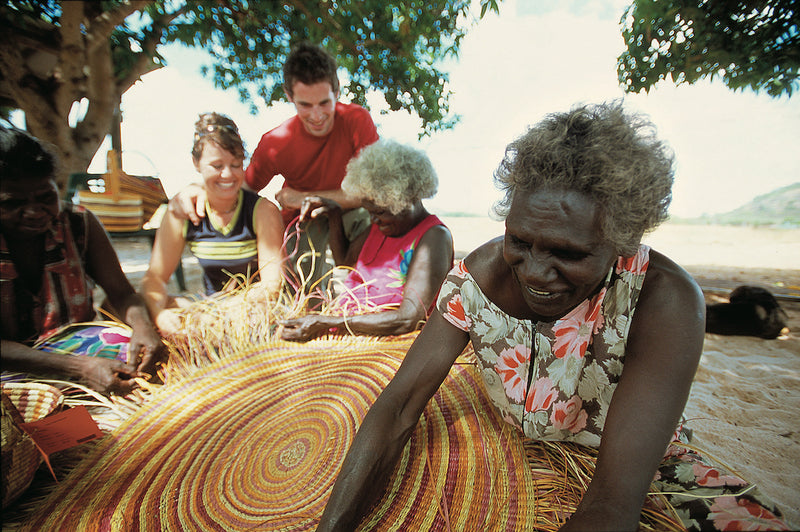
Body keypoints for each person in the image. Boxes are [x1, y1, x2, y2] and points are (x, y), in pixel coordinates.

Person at [316, 102, 788, 531]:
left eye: (568, 252)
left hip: (626, 462)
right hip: (510, 447)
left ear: (623, 240)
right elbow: (398, 407)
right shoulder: (477, 280)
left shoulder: (664, 299)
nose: (537, 272)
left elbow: (612, 501)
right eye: (520, 241)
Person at [170, 42, 379, 298]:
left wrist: (304, 197)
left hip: (349, 212)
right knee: (304, 281)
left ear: (337, 91)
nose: (316, 115)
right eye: (305, 105)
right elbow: (238, 188)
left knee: (373, 223)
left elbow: (375, 193)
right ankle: (316, 310)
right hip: (303, 220)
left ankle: (372, 297)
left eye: (325, 103)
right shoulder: (275, 143)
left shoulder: (357, 120)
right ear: (290, 96)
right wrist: (198, 188)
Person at [0, 127, 164, 396]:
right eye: (12, 203)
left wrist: (143, 327)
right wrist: (78, 369)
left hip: (78, 345)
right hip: (12, 364)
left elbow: (122, 295)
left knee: (148, 362)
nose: (33, 212)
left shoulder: (78, 224)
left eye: (45, 197)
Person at [280, 139, 453, 340]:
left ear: (406, 200)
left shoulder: (434, 237)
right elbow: (345, 263)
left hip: (391, 343)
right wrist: (335, 214)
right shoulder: (381, 226)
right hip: (348, 331)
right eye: (369, 211)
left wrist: (325, 323)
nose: (372, 219)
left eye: (379, 212)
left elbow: (408, 319)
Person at [141, 113, 284, 335]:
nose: (227, 174)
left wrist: (227, 309)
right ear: (196, 163)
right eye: (217, 165)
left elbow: (272, 285)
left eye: (236, 165)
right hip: (210, 308)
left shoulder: (262, 211)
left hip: (254, 311)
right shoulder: (182, 211)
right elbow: (155, 278)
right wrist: (159, 314)